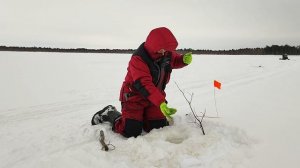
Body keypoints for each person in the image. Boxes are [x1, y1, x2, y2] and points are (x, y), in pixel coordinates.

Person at [91, 27, 192, 138]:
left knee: (158, 128)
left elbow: (174, 60)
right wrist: (160, 102)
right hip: (134, 98)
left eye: (167, 50)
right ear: (155, 45)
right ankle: (109, 113)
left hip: (153, 98)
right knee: (131, 131)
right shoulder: (138, 59)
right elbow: (144, 84)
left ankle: (143, 117)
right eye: (163, 49)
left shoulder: (166, 53)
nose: (166, 52)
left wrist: (183, 60)